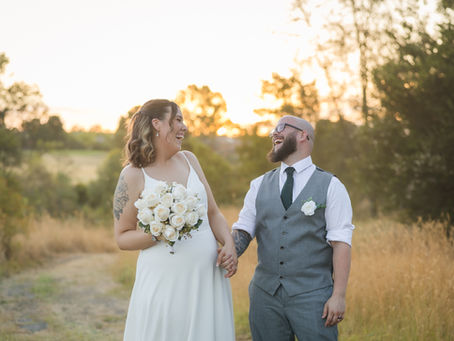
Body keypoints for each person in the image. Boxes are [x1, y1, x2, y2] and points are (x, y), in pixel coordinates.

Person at [113, 99, 237, 341]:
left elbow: (213, 213)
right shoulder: (133, 174)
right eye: (178, 119)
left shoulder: (190, 160)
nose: (184, 127)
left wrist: (229, 243)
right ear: (157, 124)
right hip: (164, 280)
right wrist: (161, 230)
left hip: (206, 278)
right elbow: (122, 237)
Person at [232, 115, 354, 341]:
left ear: (302, 135)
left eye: (281, 128)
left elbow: (341, 243)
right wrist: (224, 252)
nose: (274, 133)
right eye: (273, 130)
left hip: (313, 297)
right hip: (264, 297)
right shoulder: (258, 185)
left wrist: (338, 295)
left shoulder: (332, 186)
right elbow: (244, 229)